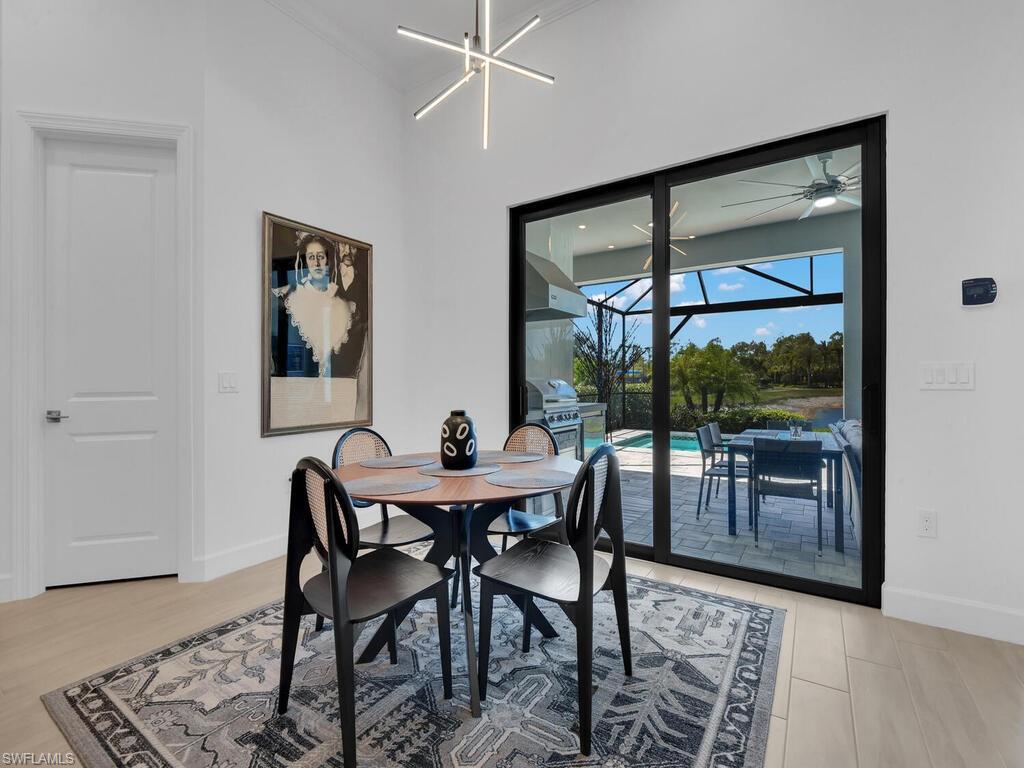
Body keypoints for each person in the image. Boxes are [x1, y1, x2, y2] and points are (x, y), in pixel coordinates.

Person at [272, 232, 361, 378]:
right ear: (305, 261)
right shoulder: (293, 297)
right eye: (311, 257)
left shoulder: (343, 306)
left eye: (321, 256)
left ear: (328, 260)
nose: (317, 263)